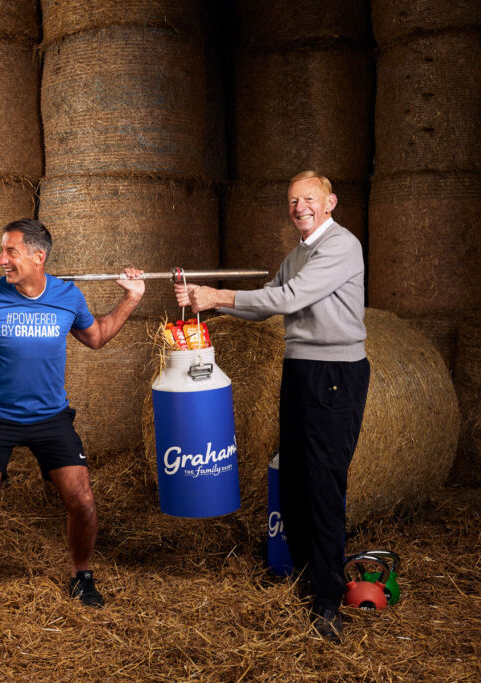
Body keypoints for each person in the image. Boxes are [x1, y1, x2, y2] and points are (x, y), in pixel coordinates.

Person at [0, 218, 144, 608]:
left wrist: (131, 299)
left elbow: (97, 337)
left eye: (10, 252)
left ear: (39, 256)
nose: (1, 259)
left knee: (83, 501)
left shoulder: (68, 296)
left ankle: (81, 575)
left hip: (50, 417)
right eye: (1, 251)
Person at [175, 171, 369, 642]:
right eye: (292, 200)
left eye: (308, 199)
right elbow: (265, 307)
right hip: (301, 371)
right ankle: (306, 577)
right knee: (297, 477)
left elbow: (290, 297)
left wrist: (220, 293)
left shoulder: (342, 246)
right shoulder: (298, 254)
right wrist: (209, 304)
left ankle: (327, 601)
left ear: (330, 203)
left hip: (334, 376)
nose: (299, 206)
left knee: (323, 484)